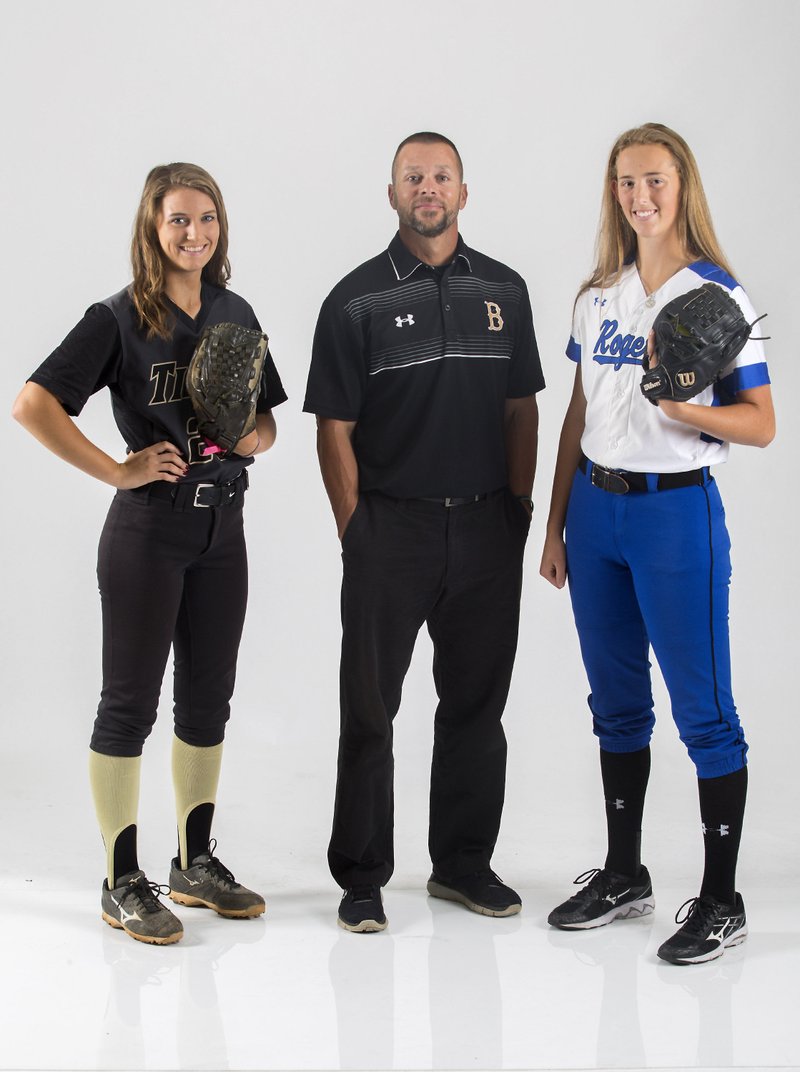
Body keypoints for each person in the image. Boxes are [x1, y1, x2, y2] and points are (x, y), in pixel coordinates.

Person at [12, 163, 286, 945]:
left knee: (208, 702)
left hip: (222, 528)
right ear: (151, 228)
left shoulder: (236, 310)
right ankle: (120, 879)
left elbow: (266, 427)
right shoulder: (120, 318)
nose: (193, 233)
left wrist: (247, 436)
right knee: (128, 706)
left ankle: (193, 864)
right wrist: (116, 467)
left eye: (206, 219)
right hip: (147, 532)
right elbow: (34, 404)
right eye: (177, 221)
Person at [539, 123, 774, 965]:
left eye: (656, 181)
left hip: (676, 515)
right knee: (616, 705)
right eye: (627, 182)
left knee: (704, 715)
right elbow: (578, 413)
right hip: (597, 518)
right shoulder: (597, 294)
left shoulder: (719, 296)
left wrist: (686, 410)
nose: (641, 197)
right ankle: (624, 873)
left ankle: (721, 900)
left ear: (684, 187)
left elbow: (762, 423)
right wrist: (556, 521)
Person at [304, 131, 545, 932]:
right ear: (393, 192)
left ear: (464, 192)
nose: (428, 188)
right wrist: (356, 530)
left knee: (477, 705)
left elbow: (522, 409)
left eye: (442, 176)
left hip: (485, 528)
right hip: (390, 532)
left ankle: (463, 865)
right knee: (370, 708)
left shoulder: (506, 291)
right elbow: (332, 427)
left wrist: (517, 510)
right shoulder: (353, 299)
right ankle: (363, 875)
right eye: (414, 176)